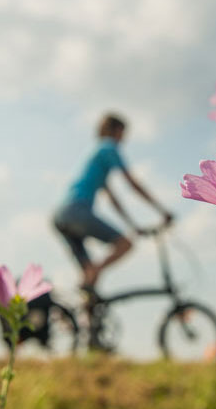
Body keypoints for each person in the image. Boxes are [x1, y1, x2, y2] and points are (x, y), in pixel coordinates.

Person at [53, 113, 174, 294]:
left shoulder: (97, 155)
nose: (124, 139)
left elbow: (113, 200)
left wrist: (133, 225)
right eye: (123, 133)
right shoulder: (108, 148)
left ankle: (84, 319)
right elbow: (132, 183)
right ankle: (95, 272)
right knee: (125, 245)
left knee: (89, 279)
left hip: (62, 214)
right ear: (116, 131)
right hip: (77, 211)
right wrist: (162, 210)